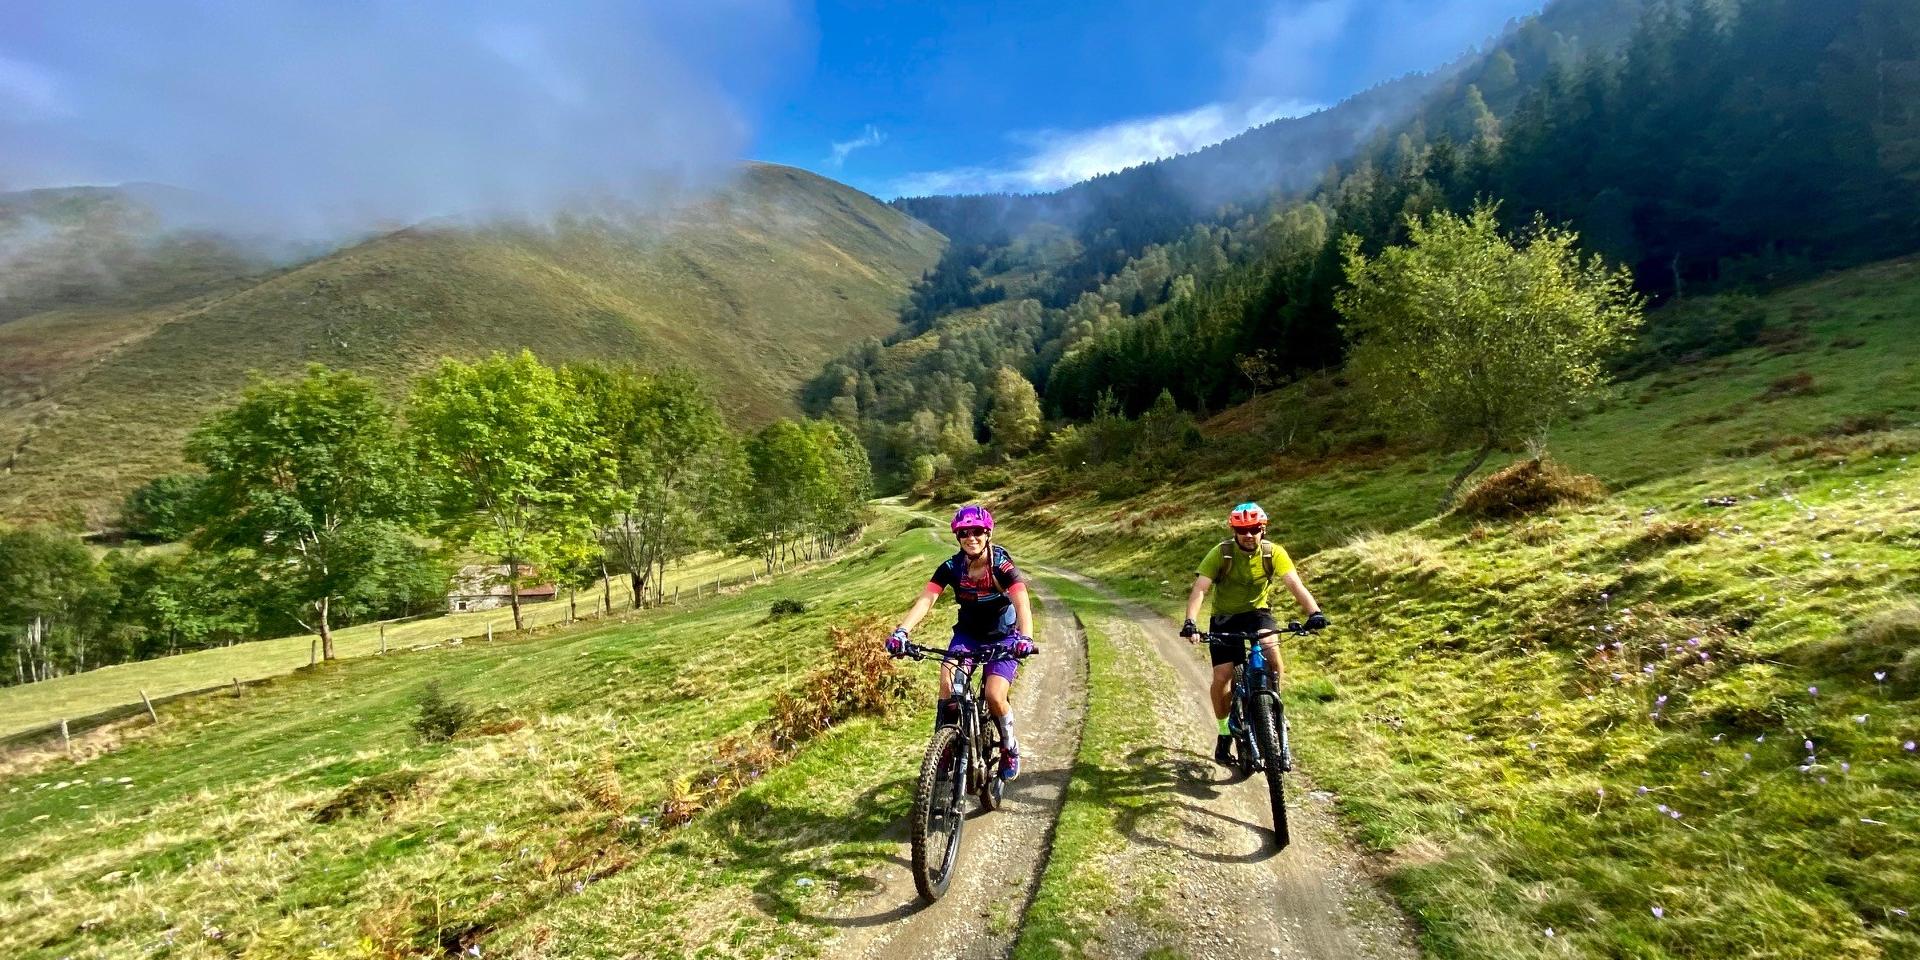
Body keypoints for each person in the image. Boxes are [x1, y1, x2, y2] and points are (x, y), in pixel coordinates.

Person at [887, 505, 1037, 780]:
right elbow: (927, 599)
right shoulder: (951, 568)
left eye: (977, 531)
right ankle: (944, 748)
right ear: (958, 537)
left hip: (1003, 639)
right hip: (967, 636)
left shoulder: (1001, 566)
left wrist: (1025, 637)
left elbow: (1022, 603)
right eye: (964, 533)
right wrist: (902, 632)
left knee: (994, 695)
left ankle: (1009, 747)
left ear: (988, 534)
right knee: (947, 683)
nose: (971, 538)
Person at [1178, 502, 1327, 765]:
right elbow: (1200, 588)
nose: (1249, 534)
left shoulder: (1273, 553)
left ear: (1263, 529)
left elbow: (1294, 583)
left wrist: (1314, 613)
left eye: (1254, 528)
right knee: (1223, 675)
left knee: (1272, 653)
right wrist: (1190, 621)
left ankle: (1273, 709)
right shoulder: (1221, 553)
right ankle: (1224, 733)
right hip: (1225, 618)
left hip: (1258, 613)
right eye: (1242, 529)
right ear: (1234, 530)